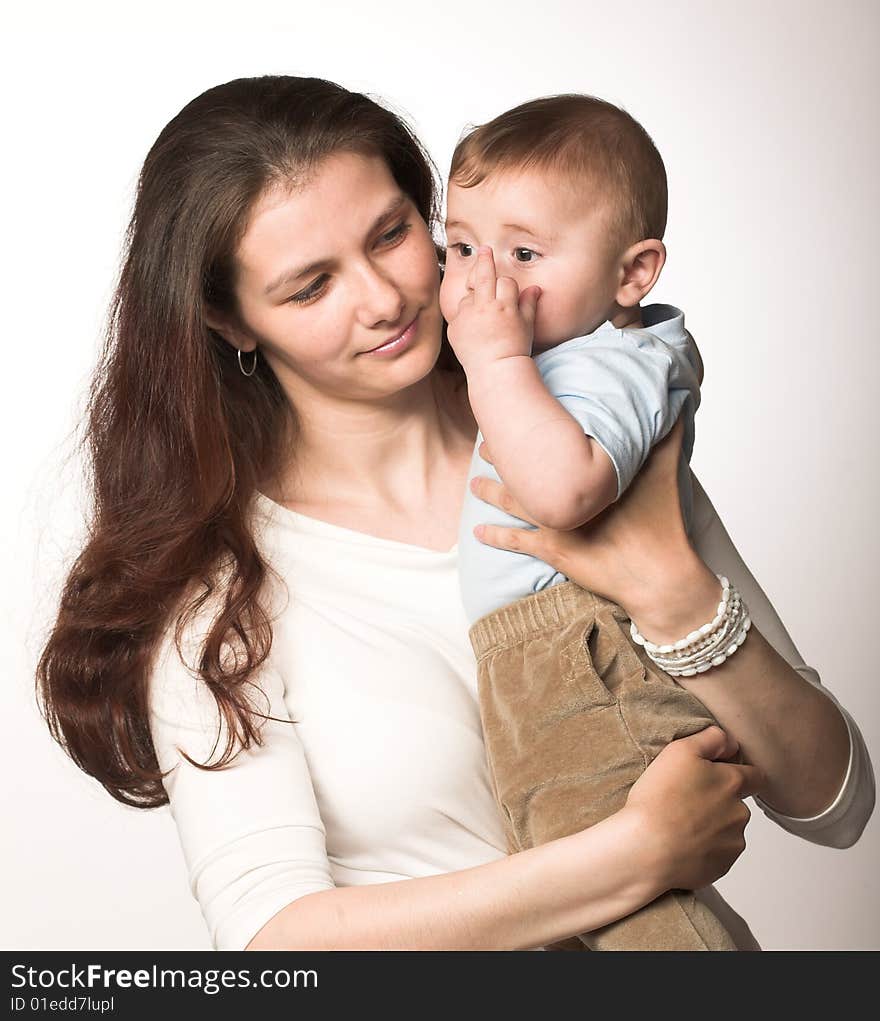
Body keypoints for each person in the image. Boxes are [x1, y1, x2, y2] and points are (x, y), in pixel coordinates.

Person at [34, 75, 873, 952]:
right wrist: (634, 855)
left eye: (392, 234)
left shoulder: (577, 440)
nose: (384, 298)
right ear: (231, 321)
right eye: (310, 286)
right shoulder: (217, 591)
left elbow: (835, 801)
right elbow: (276, 940)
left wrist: (674, 597)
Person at [440, 94, 736, 949]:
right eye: (461, 247)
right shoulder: (558, 357)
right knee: (590, 905)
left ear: (632, 273)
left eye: (523, 252)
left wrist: (491, 357)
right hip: (534, 658)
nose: (482, 279)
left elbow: (566, 492)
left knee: (641, 918)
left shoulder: (621, 359)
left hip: (579, 653)